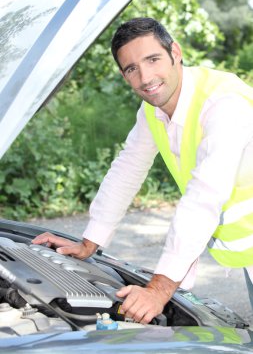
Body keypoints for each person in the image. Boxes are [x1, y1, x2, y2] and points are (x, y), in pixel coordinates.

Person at [32, 17, 253, 324]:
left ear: (175, 52)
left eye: (152, 59)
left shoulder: (223, 105)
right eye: (131, 68)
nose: (145, 77)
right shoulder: (153, 109)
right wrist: (89, 242)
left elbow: (204, 197)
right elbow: (128, 168)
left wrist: (159, 289)